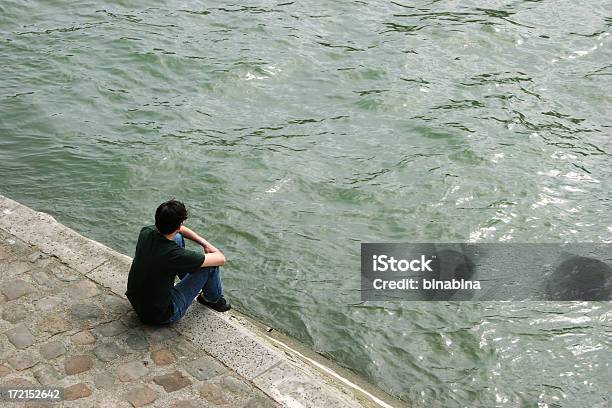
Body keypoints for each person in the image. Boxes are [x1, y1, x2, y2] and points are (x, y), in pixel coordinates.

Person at [126, 199, 230, 325]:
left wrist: (204, 243)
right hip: (161, 314)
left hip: (137, 301)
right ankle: (211, 299)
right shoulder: (174, 254)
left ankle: (188, 280)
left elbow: (180, 230)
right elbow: (221, 259)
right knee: (211, 266)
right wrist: (209, 247)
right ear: (179, 224)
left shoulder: (146, 232)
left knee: (177, 237)